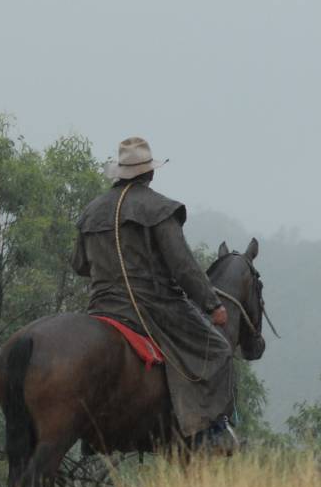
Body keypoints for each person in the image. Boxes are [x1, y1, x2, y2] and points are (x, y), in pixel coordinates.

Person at [72, 137, 236, 447]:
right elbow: (183, 267)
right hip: (155, 307)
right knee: (218, 351)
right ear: (150, 173)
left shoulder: (90, 212)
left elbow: (80, 265)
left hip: (103, 307)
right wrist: (212, 304)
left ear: (119, 172)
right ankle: (210, 432)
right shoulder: (160, 208)